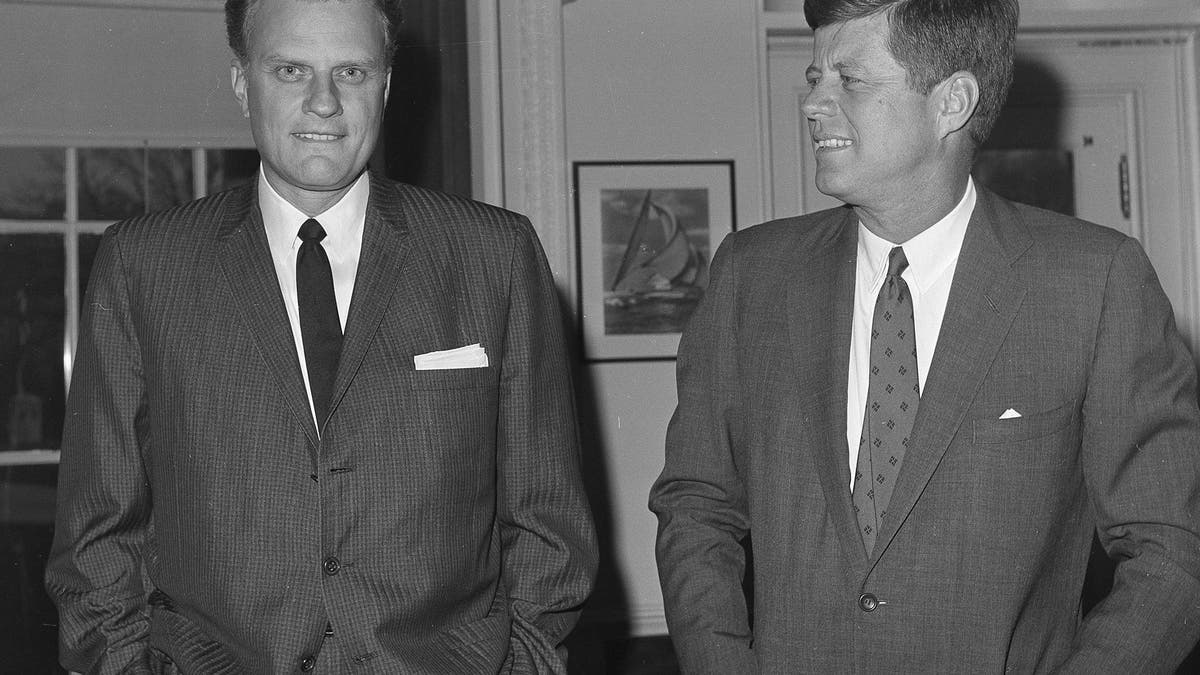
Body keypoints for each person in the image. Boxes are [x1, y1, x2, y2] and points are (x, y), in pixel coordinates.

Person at [45, 0, 597, 671]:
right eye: (291, 70)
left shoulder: (493, 256)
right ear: (242, 82)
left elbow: (549, 525)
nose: (325, 103)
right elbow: (97, 541)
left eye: (353, 73)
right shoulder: (144, 266)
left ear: (387, 84)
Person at [649, 0, 1200, 671]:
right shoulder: (751, 276)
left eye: (850, 81)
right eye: (814, 76)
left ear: (953, 102)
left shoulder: (1093, 282)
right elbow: (696, 504)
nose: (814, 104)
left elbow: (1173, 547)